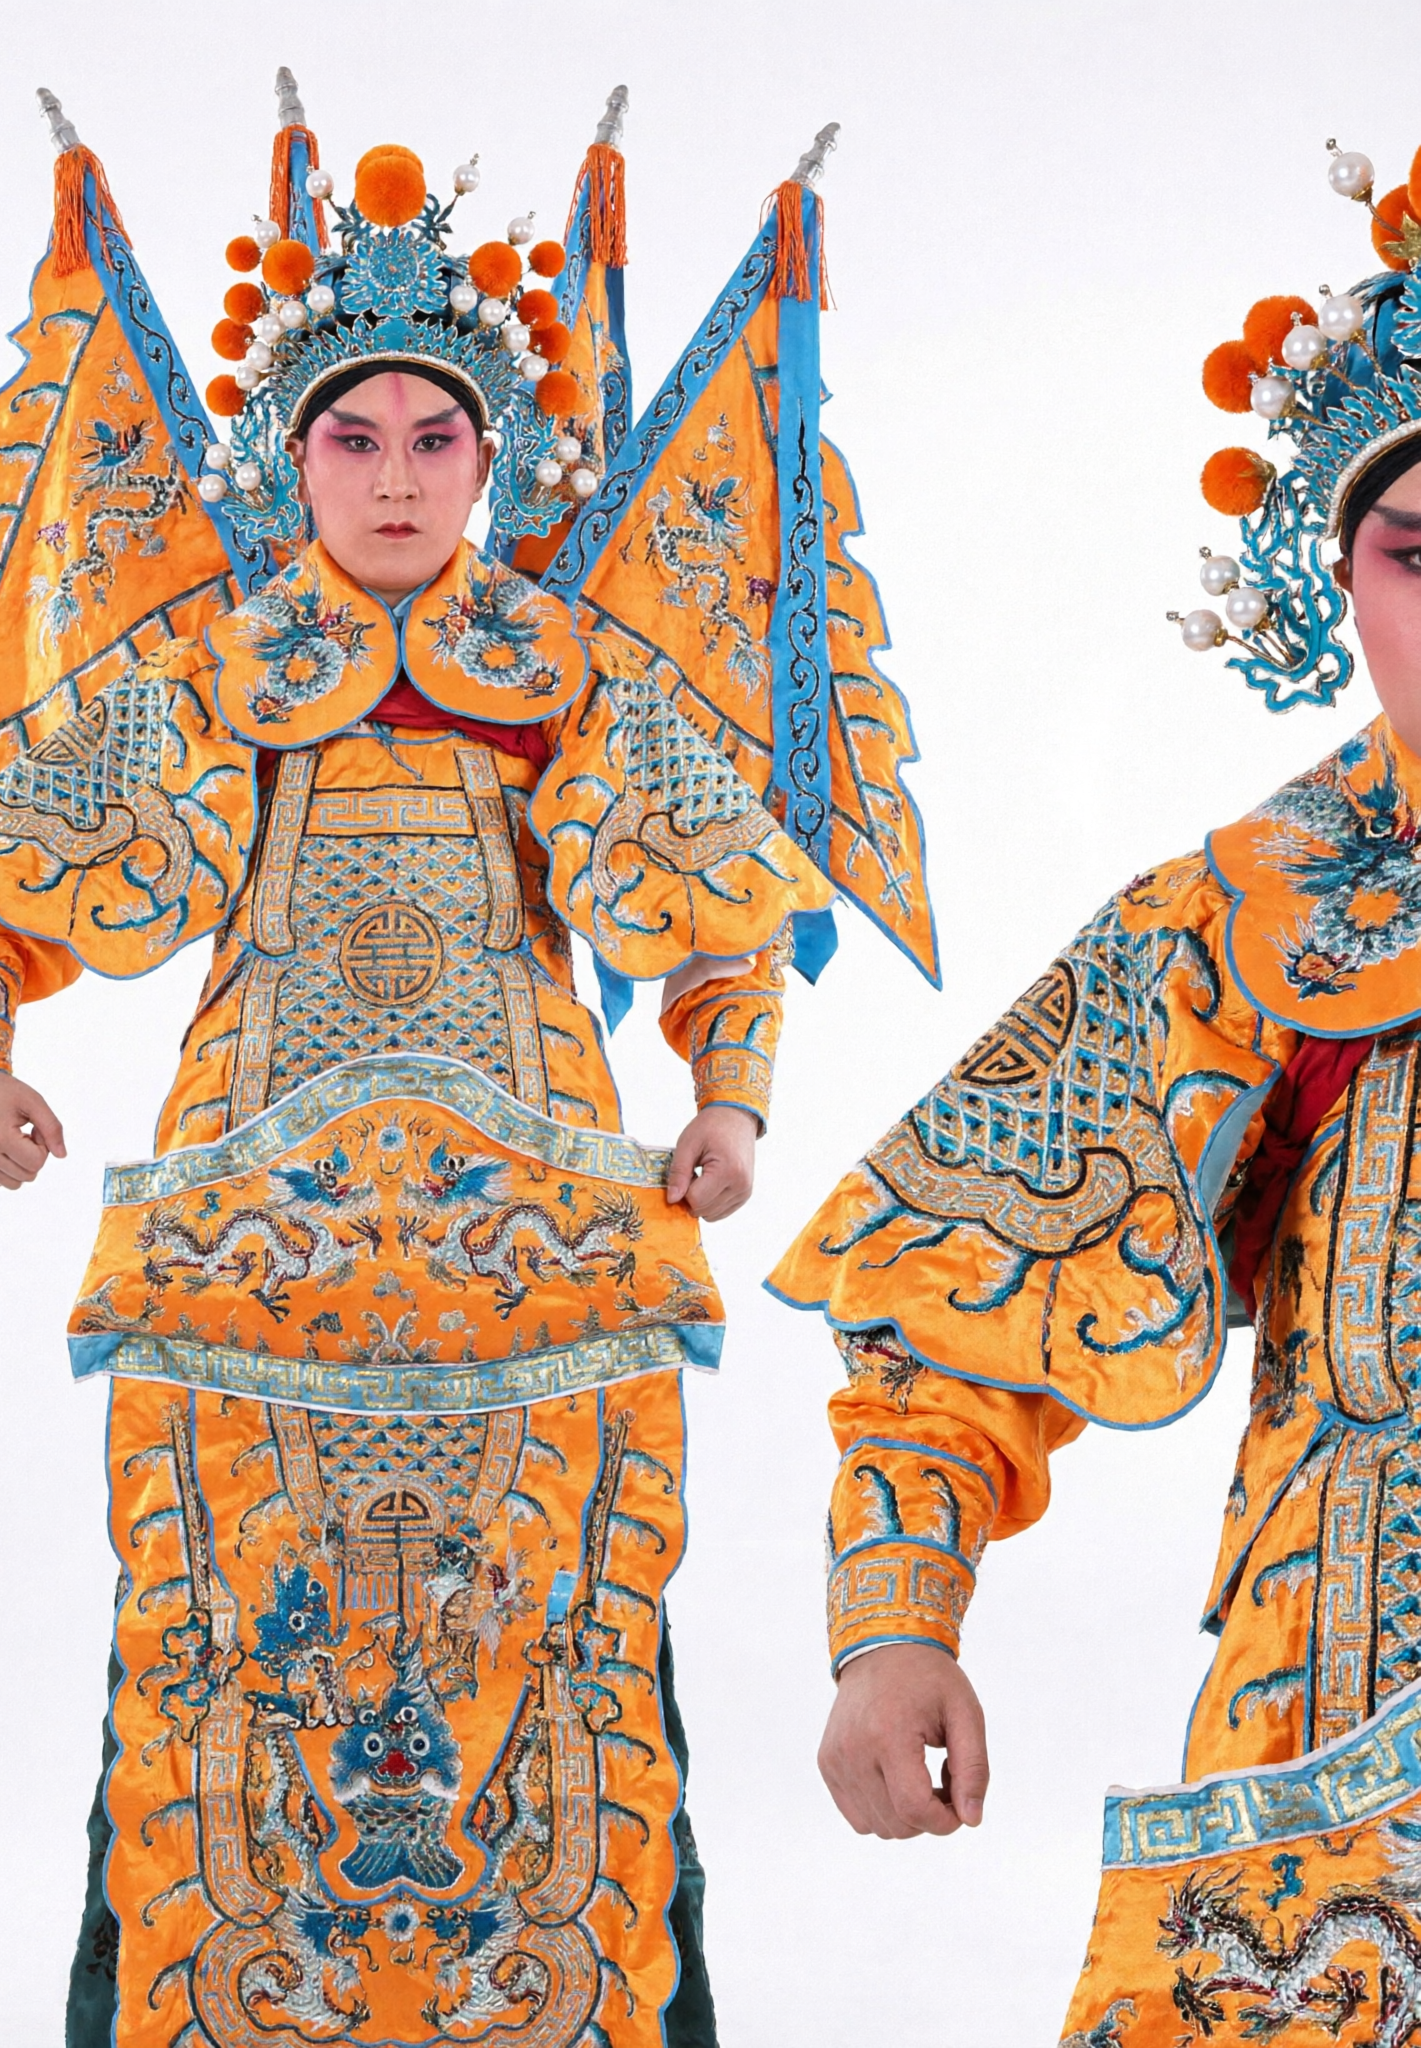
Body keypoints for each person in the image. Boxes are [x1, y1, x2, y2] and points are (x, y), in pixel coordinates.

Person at [0, 78, 935, 2047]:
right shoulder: (219, 667)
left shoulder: (564, 667)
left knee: (563, 1653)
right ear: (293, 457)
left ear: (491, 457)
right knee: (222, 1660)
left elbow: (720, 908)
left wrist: (730, 1097)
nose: (397, 479)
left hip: (537, 1241)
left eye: (437, 437)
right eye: (352, 438)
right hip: (254, 1240)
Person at [771, 137, 1421, 2042]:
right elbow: (962, 1286)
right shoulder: (1250, 918)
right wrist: (897, 1620)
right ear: (1341, 585)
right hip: (1352, 1695)